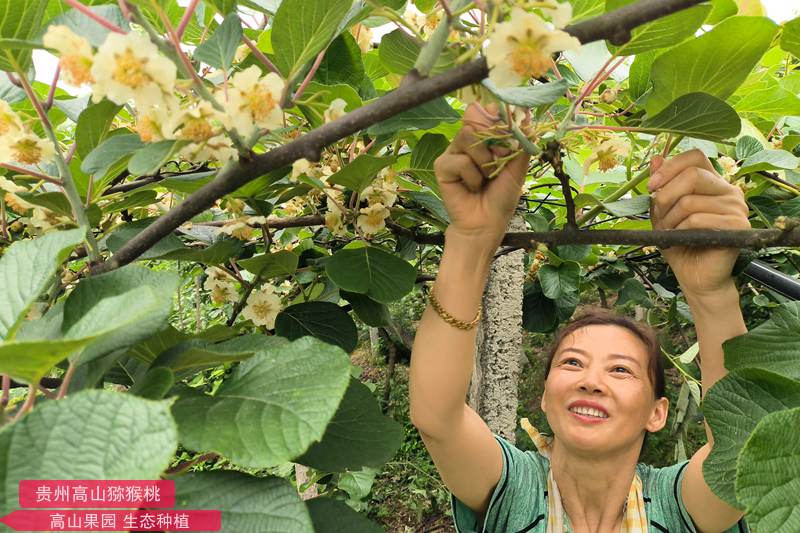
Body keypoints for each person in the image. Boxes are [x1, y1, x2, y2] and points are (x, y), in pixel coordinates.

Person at [408, 101, 753, 533]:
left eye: (622, 370)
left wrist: (712, 294)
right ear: (547, 397)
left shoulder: (678, 504)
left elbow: (742, 449)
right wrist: (471, 238)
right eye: (572, 363)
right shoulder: (515, 487)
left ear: (657, 413)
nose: (591, 380)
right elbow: (436, 418)